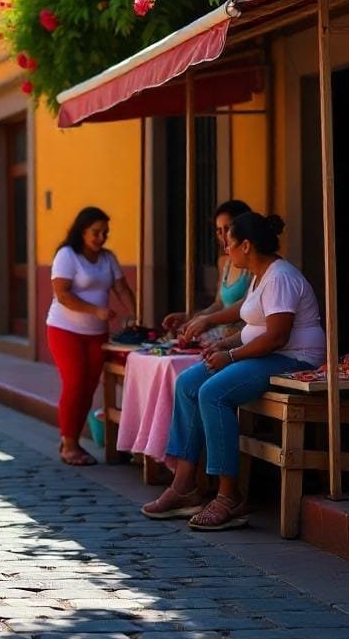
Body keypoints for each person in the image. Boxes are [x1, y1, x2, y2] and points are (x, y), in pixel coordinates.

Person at [142, 212, 325, 531]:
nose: (226, 250)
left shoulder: (280, 276)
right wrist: (224, 344)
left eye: (230, 244)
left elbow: (277, 336)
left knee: (213, 394)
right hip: (267, 353)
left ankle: (229, 495)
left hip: (294, 358)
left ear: (246, 245)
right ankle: (184, 486)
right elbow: (254, 324)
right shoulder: (260, 275)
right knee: (187, 383)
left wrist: (232, 355)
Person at [46, 206, 136, 466]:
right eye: (95, 232)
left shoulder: (108, 258)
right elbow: (62, 294)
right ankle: (70, 444)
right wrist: (94, 310)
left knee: (87, 388)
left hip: (97, 335)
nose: (101, 238)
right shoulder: (67, 255)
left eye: (105, 233)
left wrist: (136, 317)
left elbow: (122, 288)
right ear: (82, 231)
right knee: (74, 383)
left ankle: (70, 440)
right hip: (64, 331)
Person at [163, 200, 253, 343]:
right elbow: (219, 304)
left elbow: (248, 305)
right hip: (221, 330)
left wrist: (208, 321)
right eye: (219, 231)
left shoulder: (253, 264)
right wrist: (191, 317)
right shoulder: (225, 262)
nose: (223, 237)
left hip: (241, 335)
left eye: (227, 229)